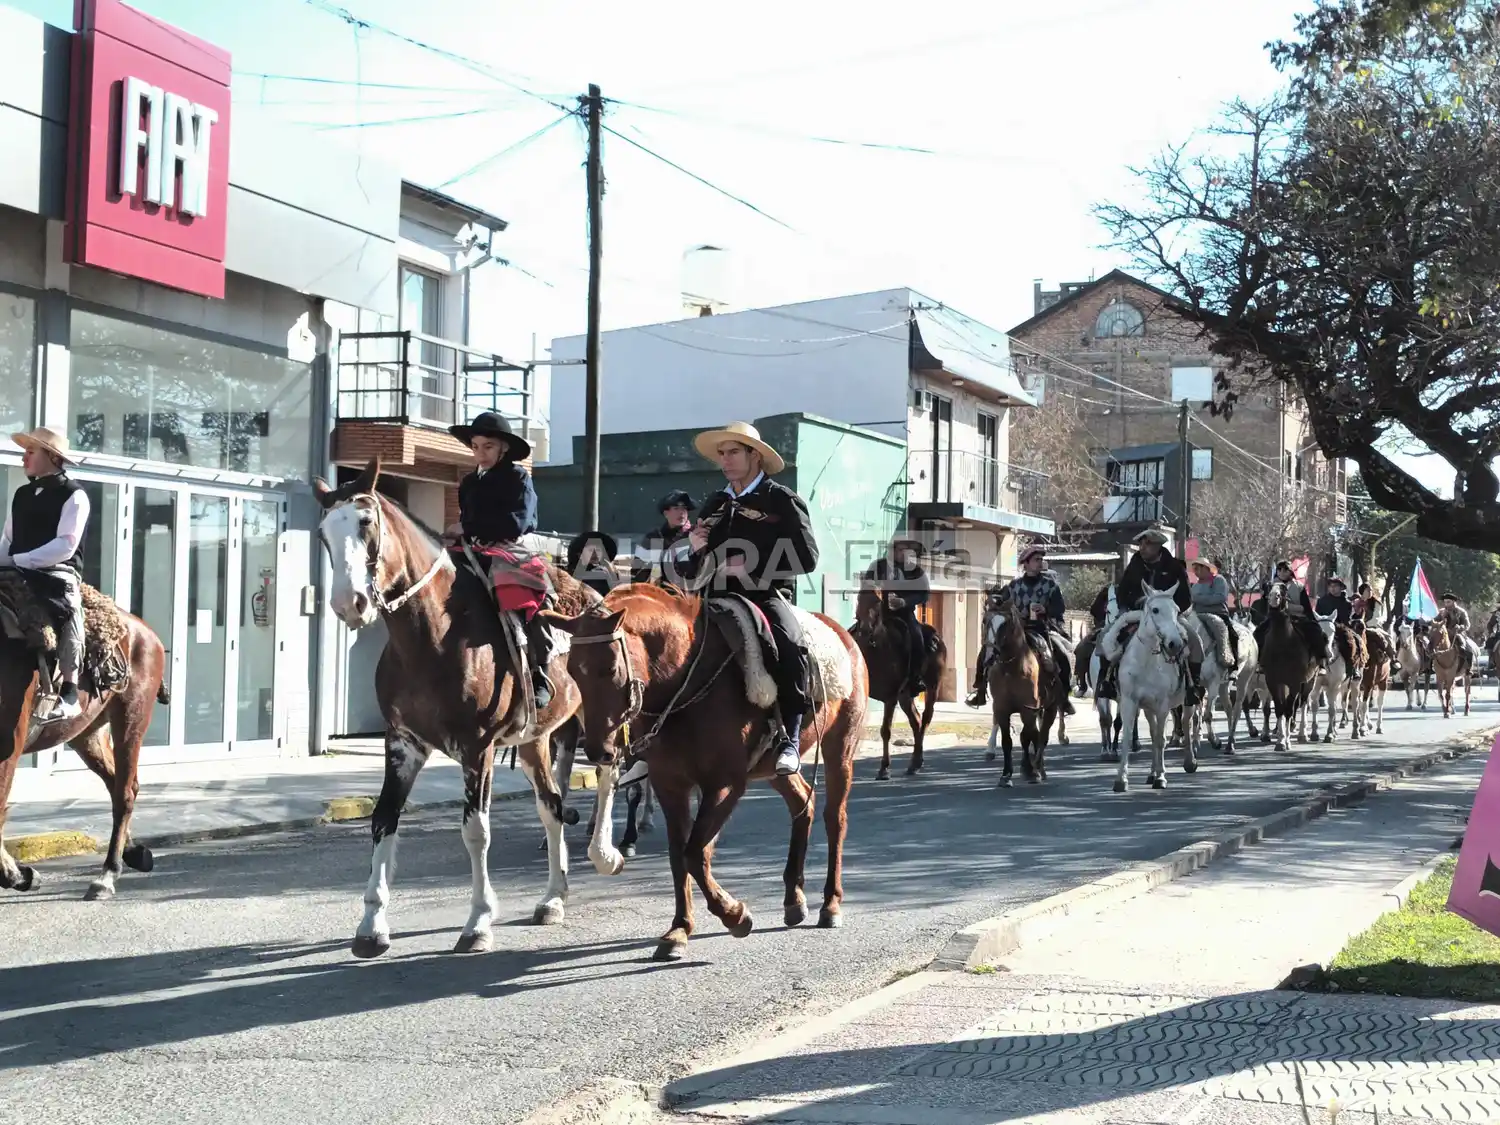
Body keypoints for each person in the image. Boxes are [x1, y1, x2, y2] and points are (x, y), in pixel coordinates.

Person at [681, 421, 819, 777]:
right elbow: (700, 560)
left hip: (764, 593)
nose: (725, 460)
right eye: (721, 454)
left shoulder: (781, 500)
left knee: (789, 644)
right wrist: (696, 551)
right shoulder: (715, 502)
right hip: (713, 594)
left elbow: (808, 558)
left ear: (754, 456)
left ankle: (789, 737)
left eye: (733, 452)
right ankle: (657, 741)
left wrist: (753, 568)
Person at [443, 411, 552, 709]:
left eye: (488, 446)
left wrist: (469, 528)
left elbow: (520, 522)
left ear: (503, 447)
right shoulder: (468, 483)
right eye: (476, 446)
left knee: (528, 601)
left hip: (508, 549)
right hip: (470, 550)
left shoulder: (518, 476)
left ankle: (539, 672)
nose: (481, 453)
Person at [0, 427, 91, 721]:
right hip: (18, 567)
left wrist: (23, 559)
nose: (24, 457)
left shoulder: (74, 495)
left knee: (70, 608)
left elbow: (66, 544)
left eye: (31, 451)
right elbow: (7, 540)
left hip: (57, 572)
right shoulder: (22, 493)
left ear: (51, 456)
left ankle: (70, 689)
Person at [968, 544, 1074, 713]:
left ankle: (1064, 698)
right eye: (1036, 560)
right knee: (986, 651)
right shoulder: (1013, 586)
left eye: (1041, 560)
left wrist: (1045, 610)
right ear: (1025, 563)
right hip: (1015, 630)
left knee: (1062, 655)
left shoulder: (1051, 586)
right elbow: (1000, 601)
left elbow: (1059, 609)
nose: (1040, 563)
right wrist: (993, 601)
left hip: (1040, 628)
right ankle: (980, 690)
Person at [1111, 526, 1203, 701]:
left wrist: (1171, 611)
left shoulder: (1175, 567)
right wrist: (1127, 606)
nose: (1142, 548)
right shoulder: (1135, 564)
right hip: (1138, 613)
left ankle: (1192, 685)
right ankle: (1106, 681)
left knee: (1194, 640)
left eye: (1147, 544)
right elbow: (1122, 591)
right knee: (1107, 636)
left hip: (1168, 617)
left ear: (1158, 546)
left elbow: (1186, 598)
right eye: (1140, 544)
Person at [863, 537, 934, 696]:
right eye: (898, 549)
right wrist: (877, 591)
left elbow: (924, 595)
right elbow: (867, 583)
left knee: (917, 639)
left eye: (904, 550)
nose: (901, 553)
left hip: (904, 614)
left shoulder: (915, 571)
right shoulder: (878, 566)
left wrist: (904, 601)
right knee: (858, 632)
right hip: (878, 611)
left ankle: (915, 678)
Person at [1254, 559, 1329, 662]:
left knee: (1316, 632)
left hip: (1296, 618)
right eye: (1279, 570)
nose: (1282, 573)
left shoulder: (1299, 586)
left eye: (1285, 570)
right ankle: (1259, 660)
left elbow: (1305, 606)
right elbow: (1264, 604)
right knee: (1258, 633)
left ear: (1290, 572)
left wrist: (1293, 608)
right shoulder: (1270, 586)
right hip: (1276, 618)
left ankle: (1320, 660)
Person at [630, 490, 696, 586]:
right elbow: (637, 572)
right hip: (661, 593)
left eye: (684, 508)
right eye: (676, 508)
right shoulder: (654, 537)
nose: (681, 512)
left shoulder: (695, 535)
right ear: (666, 514)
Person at [1189, 558, 1239, 668]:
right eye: (1194, 569)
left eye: (1198, 568)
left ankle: (1232, 663)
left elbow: (1220, 597)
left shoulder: (1218, 580)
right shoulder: (1195, 586)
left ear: (1206, 568)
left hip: (1218, 613)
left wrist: (1198, 599)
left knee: (1232, 635)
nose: (1195, 572)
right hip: (1198, 615)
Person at [567, 531, 619, 599]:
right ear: (579, 554)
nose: (595, 554)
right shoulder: (568, 572)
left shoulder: (603, 572)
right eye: (590, 550)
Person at [1437, 592, 1481, 660]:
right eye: (1445, 602)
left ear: (1454, 602)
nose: (1446, 604)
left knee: (1467, 648)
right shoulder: (1441, 612)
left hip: (1458, 634)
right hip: (1443, 634)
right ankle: (1430, 666)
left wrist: (1460, 627)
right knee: (1431, 645)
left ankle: (1468, 667)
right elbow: (1436, 621)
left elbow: (1467, 625)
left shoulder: (1461, 612)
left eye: (1448, 602)